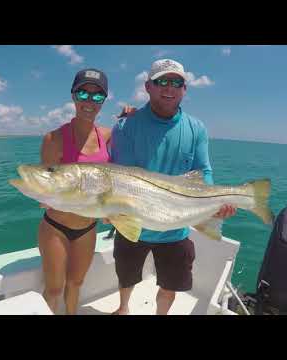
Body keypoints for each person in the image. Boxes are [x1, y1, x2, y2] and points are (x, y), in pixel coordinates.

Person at [110, 59, 236, 315]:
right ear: (148, 86)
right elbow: (124, 179)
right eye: (162, 81)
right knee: (126, 275)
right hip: (132, 222)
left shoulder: (197, 128)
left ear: (185, 89)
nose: (169, 88)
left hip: (176, 228)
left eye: (177, 82)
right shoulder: (126, 125)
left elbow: (204, 171)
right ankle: (123, 309)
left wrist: (213, 204)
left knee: (172, 285)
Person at [38, 68, 111, 314]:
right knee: (55, 289)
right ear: (73, 96)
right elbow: (45, 184)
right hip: (55, 227)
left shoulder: (108, 136)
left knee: (76, 283)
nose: (89, 101)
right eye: (83, 93)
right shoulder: (53, 139)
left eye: (97, 96)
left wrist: (130, 115)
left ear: (104, 101)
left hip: (88, 227)